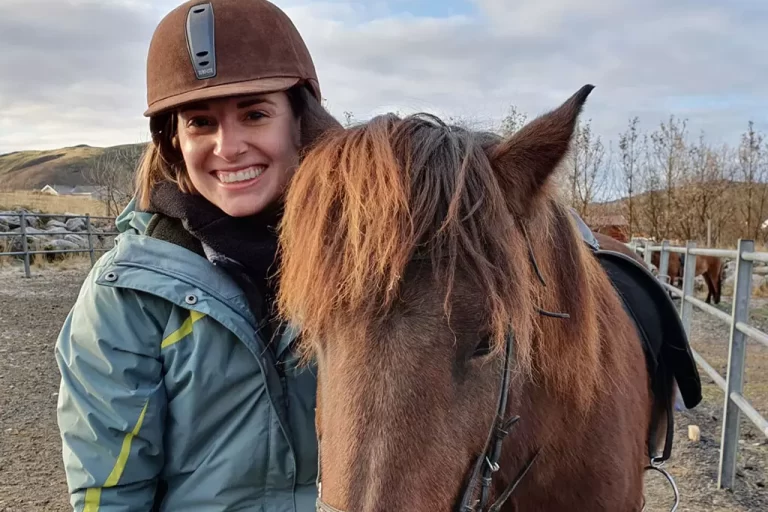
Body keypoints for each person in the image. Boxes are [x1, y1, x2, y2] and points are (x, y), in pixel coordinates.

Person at [54, 0, 341, 510]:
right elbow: (110, 491)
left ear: (303, 121)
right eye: (200, 123)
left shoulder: (368, 268)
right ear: (173, 142)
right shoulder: (126, 293)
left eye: (255, 113)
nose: (228, 147)